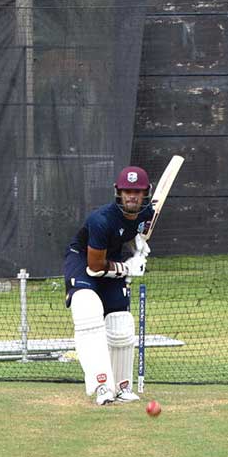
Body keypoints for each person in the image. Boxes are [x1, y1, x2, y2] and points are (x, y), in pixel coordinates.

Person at [63, 166, 154, 406]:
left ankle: (122, 387)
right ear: (118, 192)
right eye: (127, 191)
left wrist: (138, 249)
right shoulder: (101, 219)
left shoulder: (147, 213)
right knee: (87, 308)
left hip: (110, 260)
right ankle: (102, 384)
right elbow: (95, 266)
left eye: (137, 191)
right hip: (84, 261)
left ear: (145, 193)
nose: (131, 196)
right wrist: (127, 267)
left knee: (121, 323)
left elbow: (139, 232)